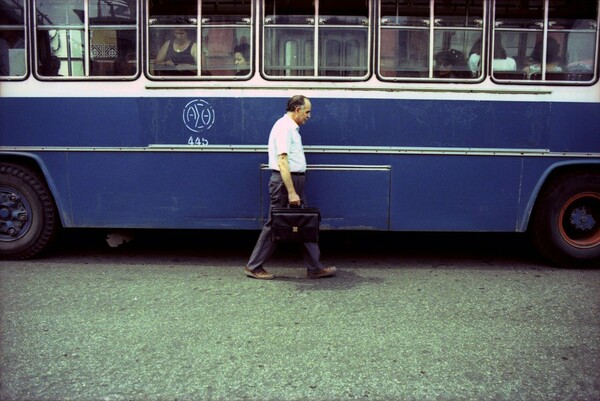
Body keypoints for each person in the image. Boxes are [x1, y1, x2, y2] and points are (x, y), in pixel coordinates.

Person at [244, 95, 337, 280]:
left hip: (294, 181)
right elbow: (283, 162)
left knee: (304, 222)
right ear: (297, 110)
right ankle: (253, 266)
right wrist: (292, 191)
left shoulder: (291, 128)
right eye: (307, 111)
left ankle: (314, 267)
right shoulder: (284, 128)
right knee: (275, 223)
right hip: (286, 183)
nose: (309, 116)